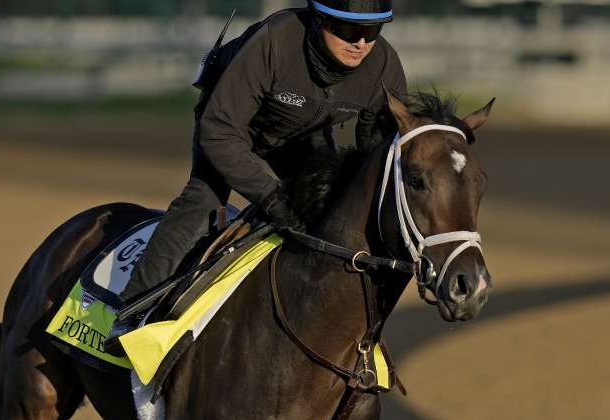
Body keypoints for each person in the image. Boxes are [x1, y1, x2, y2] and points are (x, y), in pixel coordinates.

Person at [104, 0, 407, 356]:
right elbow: (219, 131)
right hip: (231, 127)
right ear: (319, 20)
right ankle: (131, 312)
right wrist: (272, 197)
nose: (361, 42)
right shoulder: (273, 41)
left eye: (373, 31)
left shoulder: (384, 65)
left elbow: (379, 152)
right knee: (202, 202)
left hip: (300, 136)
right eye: (347, 29)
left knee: (329, 211)